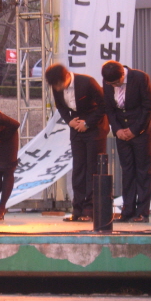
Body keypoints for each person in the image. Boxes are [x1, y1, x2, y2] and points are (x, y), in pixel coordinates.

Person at [45, 63, 109, 222]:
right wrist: (69, 121)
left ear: (66, 76)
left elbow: (104, 105)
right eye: (55, 86)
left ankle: (90, 209)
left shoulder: (87, 82)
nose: (57, 88)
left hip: (94, 127)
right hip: (76, 128)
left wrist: (87, 123)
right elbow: (60, 106)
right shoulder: (56, 87)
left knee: (92, 168)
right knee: (78, 168)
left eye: (59, 85)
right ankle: (78, 208)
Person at [101, 61, 151, 223]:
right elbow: (109, 108)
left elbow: (148, 107)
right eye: (110, 84)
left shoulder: (140, 78)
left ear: (122, 75)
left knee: (143, 171)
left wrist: (134, 130)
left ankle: (143, 212)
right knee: (127, 171)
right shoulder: (107, 82)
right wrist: (117, 129)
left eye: (116, 83)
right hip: (121, 132)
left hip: (141, 130)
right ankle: (128, 210)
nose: (114, 86)